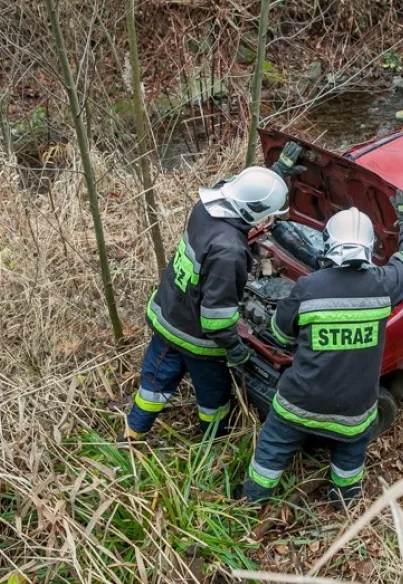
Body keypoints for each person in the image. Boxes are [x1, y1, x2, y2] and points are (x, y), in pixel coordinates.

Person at [241, 191, 403, 507]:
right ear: (369, 247)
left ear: (329, 243)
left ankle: (252, 501)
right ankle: (344, 503)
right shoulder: (384, 285)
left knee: (273, 448)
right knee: (350, 455)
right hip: (355, 409)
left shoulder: (308, 287)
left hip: (299, 402)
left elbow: (278, 332)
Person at [121, 144, 304, 441]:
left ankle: (132, 432)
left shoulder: (206, 207)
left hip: (168, 313)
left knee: (155, 381)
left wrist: (277, 175)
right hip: (197, 339)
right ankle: (213, 440)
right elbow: (216, 320)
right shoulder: (229, 250)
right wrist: (235, 350)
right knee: (213, 395)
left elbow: (242, 191)